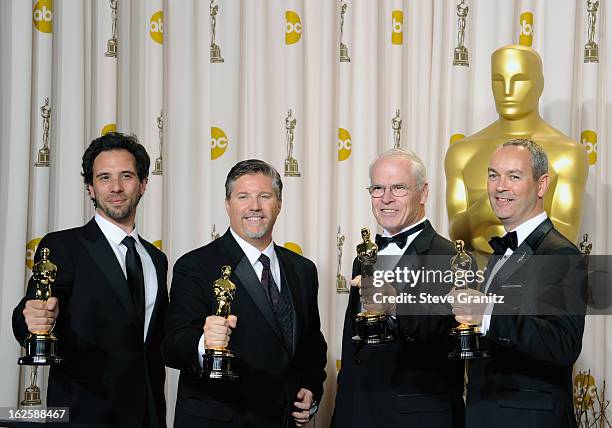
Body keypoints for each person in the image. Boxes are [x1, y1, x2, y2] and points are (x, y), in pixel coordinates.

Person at [13, 132, 168, 427]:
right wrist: (31, 319)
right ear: (90, 188)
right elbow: (32, 313)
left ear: (144, 184)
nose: (116, 188)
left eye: (126, 176)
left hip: (149, 415)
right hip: (84, 415)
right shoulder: (63, 246)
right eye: (104, 178)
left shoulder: (156, 259)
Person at [162, 159, 327, 427]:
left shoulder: (303, 270)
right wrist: (206, 343)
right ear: (228, 205)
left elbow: (312, 346)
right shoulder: (195, 265)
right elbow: (172, 346)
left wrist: (311, 388)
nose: (255, 206)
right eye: (243, 197)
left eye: (265, 196)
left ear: (279, 203)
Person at [449, 139, 586, 428]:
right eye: (493, 175)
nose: (500, 186)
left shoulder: (560, 253)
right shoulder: (501, 252)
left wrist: (487, 313)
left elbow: (563, 345)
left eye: (514, 176)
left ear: (541, 185)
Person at [333, 148, 465, 427]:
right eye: (378, 188)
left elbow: (444, 335)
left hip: (416, 418)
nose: (386, 198)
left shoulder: (451, 258)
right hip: (357, 413)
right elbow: (354, 348)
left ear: (424, 193)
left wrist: (395, 306)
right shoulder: (364, 256)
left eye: (399, 188)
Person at [445, 45, 588, 255]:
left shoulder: (568, 154)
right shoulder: (461, 152)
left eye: (519, 80)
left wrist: (502, 212)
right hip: (474, 278)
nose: (508, 90)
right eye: (498, 80)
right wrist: (481, 211)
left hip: (538, 278)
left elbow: (566, 236)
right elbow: (456, 233)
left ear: (540, 85)